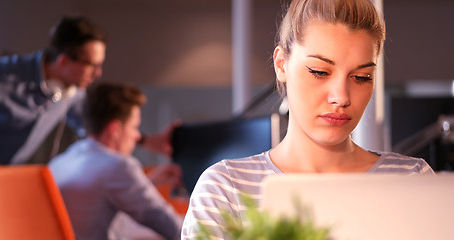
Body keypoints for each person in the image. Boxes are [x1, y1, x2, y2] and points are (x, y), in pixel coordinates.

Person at [181, 0, 435, 239]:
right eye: (320, 72)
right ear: (281, 64)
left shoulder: (413, 180)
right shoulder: (226, 189)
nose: (341, 97)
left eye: (361, 77)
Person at [0, 16, 177, 165]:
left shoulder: (71, 92)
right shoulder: (4, 78)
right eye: (92, 65)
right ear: (64, 61)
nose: (98, 73)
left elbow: (102, 126)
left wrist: (147, 141)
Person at [49, 82, 183, 240]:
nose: (137, 136)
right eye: (134, 127)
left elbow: (101, 198)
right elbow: (172, 227)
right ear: (115, 129)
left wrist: (148, 181)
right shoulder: (118, 166)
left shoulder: (62, 161)